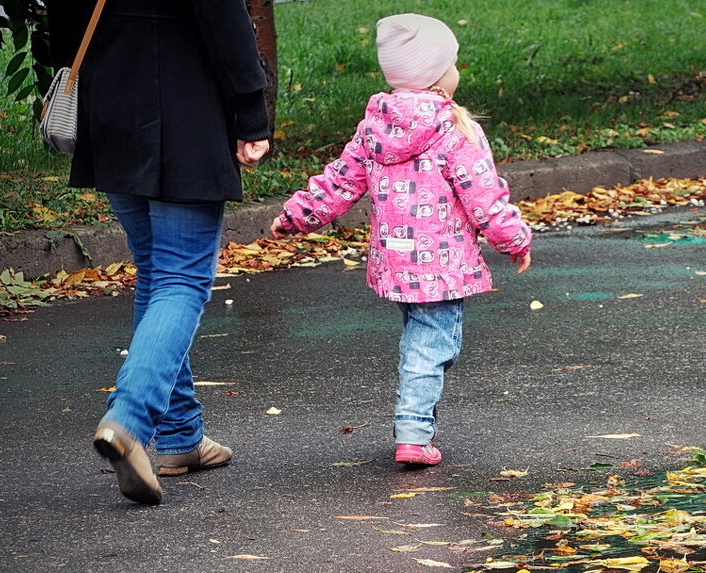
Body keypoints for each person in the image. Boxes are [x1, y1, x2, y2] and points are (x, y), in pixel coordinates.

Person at [271, 13, 532, 467]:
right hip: (442, 265)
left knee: (422, 338)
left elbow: (339, 182)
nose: (455, 73)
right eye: (452, 64)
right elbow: (484, 194)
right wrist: (514, 240)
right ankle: (412, 432)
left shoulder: (375, 126)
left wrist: (296, 215)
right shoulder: (454, 128)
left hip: (395, 262)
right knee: (432, 345)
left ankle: (415, 425)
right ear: (436, 75)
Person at [46, 0, 271, 504]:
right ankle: (128, 420)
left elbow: (62, 26)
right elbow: (223, 15)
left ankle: (179, 438)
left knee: (156, 274)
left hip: (109, 106)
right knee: (181, 279)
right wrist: (252, 110)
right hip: (183, 108)